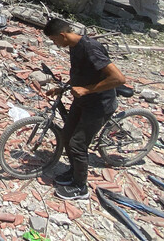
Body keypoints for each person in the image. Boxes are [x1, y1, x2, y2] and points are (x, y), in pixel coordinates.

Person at [43, 18, 126, 200]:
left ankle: (81, 187)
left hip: (99, 104)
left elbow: (119, 78)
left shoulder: (90, 48)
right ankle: (73, 172)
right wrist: (62, 88)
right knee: (66, 136)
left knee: (78, 144)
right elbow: (81, 74)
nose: (54, 44)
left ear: (63, 35)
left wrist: (87, 90)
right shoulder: (73, 47)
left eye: (54, 40)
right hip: (83, 101)